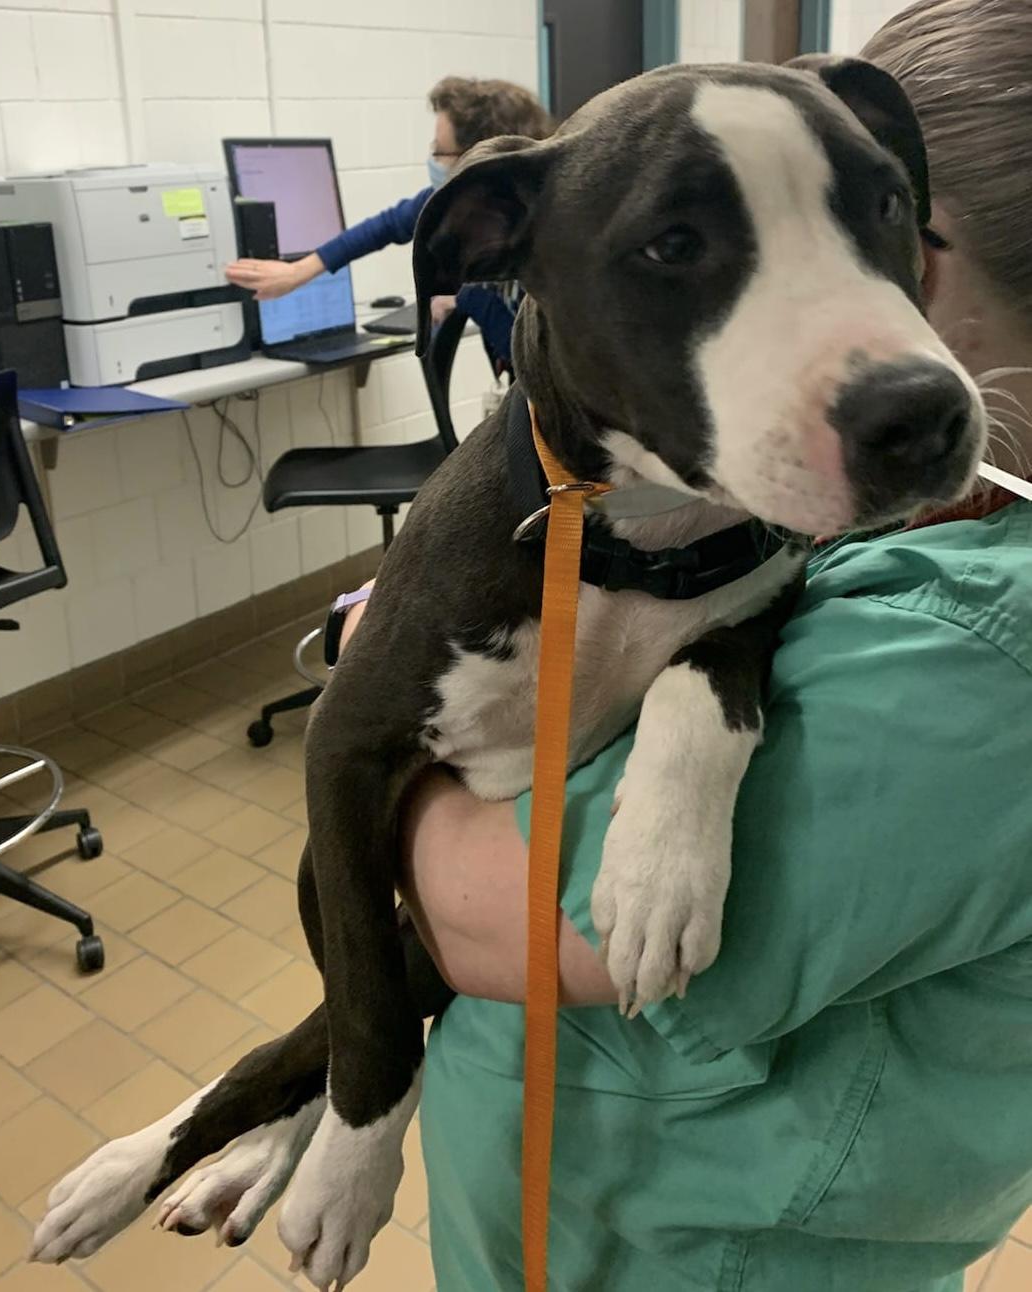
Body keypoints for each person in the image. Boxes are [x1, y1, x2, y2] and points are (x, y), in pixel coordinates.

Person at [337, 2, 1032, 1289]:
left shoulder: (984, 649)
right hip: (547, 1197)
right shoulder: (868, 523)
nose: (871, 319)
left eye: (882, 218)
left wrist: (386, 704)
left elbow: (481, 918)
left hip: (678, 1244)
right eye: (682, 245)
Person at [225, 76, 552, 373]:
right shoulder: (463, 202)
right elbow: (387, 225)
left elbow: (531, 357)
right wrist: (297, 272)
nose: (433, 160)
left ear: (480, 159)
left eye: (440, 152)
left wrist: (467, 296)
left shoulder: (547, 233)